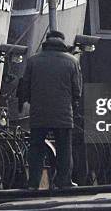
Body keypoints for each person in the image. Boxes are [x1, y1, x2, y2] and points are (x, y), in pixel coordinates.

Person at [20, 31, 82, 189]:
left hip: (39, 112)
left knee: (36, 148)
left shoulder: (33, 61)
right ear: (62, 42)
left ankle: (33, 183)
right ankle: (64, 181)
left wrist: (29, 101)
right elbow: (77, 90)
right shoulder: (72, 61)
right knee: (64, 148)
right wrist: (73, 103)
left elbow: (25, 86)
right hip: (63, 114)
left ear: (46, 42)